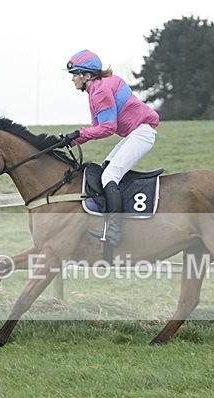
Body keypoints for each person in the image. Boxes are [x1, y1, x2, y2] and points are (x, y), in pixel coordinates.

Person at [61, 49, 160, 261]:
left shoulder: (99, 91)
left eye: (75, 74)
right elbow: (97, 127)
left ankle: (114, 232)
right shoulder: (97, 89)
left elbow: (107, 128)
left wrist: (77, 134)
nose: (72, 79)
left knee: (108, 177)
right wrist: (72, 139)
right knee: (106, 170)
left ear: (87, 75)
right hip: (136, 132)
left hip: (141, 133)